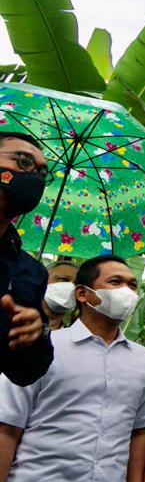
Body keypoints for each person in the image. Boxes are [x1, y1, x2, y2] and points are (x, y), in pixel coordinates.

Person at [0, 255, 145, 482]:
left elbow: (139, 433)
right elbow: (8, 426)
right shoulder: (42, 349)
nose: (127, 291)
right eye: (115, 282)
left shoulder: (143, 360)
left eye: (132, 285)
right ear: (82, 294)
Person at [0, 132, 52, 387]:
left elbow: (25, 374)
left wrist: (36, 334)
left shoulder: (32, 272)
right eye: (24, 162)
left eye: (42, 173)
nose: (35, 177)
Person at [43, 260, 78, 331]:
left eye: (76, 284)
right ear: (43, 280)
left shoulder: (73, 334)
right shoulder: (20, 320)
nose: (71, 287)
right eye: (63, 279)